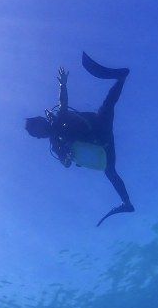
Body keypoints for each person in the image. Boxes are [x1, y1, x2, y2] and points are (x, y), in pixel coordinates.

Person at [25, 52, 134, 226]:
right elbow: (66, 163)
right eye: (38, 134)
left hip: (99, 127)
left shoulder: (58, 120)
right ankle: (127, 203)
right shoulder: (56, 144)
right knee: (110, 171)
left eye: (39, 128)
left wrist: (63, 84)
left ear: (43, 121)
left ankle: (121, 78)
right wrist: (67, 155)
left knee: (107, 105)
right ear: (39, 137)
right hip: (103, 148)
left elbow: (63, 103)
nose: (42, 132)